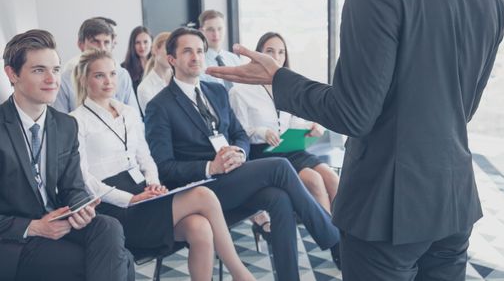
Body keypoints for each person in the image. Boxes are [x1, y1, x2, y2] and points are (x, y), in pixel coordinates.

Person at [207, 0, 504, 280]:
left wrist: (278, 79)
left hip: (387, 203)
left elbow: (353, 113)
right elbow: (463, 109)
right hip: (454, 198)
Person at [145, 27, 340, 281]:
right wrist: (209, 167)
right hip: (200, 188)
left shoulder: (215, 92)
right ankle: (335, 238)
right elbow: (164, 167)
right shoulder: (159, 106)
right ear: (172, 59)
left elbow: (239, 135)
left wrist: (239, 151)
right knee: (280, 166)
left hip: (232, 177)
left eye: (200, 51)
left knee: (279, 198)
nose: (196, 57)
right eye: (187, 51)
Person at [69, 49, 255, 281]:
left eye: (113, 74)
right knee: (203, 196)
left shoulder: (127, 111)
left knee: (200, 228)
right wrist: (128, 199)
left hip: (143, 192)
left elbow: (145, 157)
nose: (109, 81)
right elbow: (84, 178)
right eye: (99, 75)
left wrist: (154, 184)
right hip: (114, 207)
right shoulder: (75, 120)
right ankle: (241, 274)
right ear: (84, 79)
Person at [0, 29, 134, 281]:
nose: (52, 79)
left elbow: (73, 187)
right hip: (15, 239)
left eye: (56, 69)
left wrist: (81, 206)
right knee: (122, 262)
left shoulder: (65, 125)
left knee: (108, 226)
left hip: (60, 222)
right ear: (12, 74)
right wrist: (33, 227)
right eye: (39, 70)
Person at [229, 32, 340, 214]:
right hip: (264, 153)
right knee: (314, 181)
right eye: (270, 51)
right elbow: (238, 132)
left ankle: (345, 237)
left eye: (281, 52)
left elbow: (294, 121)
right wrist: (262, 132)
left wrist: (311, 127)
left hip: (291, 147)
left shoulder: (287, 87)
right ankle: (331, 240)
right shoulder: (240, 91)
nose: (276, 57)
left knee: (333, 178)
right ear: (259, 54)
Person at [53, 18, 140, 113]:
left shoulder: (122, 75)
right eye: (95, 42)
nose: (102, 48)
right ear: (80, 45)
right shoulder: (65, 80)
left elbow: (135, 116)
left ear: (112, 44)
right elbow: (60, 122)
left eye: (106, 42)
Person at [198, 9, 240, 90]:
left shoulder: (234, 59)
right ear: (201, 31)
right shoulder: (199, 62)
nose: (216, 34)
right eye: (210, 29)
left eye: (220, 29)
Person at [137, 32, 172, 111]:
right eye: (167, 49)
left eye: (174, 50)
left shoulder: (181, 79)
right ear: (155, 50)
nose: (171, 54)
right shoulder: (144, 88)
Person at [121, 26, 153, 95]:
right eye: (137, 42)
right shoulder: (124, 68)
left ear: (151, 42)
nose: (142, 46)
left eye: (145, 42)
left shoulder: (158, 65)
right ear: (132, 45)